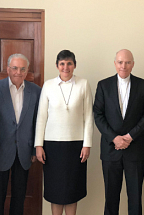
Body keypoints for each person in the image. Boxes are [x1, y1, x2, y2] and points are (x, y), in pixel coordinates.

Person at [93, 49, 144, 215]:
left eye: (127, 62)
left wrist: (129, 136)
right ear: (115, 63)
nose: (123, 66)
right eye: (120, 62)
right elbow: (97, 115)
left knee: (135, 197)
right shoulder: (103, 85)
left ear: (133, 64)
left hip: (136, 149)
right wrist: (114, 138)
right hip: (111, 150)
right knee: (111, 198)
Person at [35, 50, 93, 215]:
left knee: (72, 189)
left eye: (69, 63)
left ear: (74, 65)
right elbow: (41, 117)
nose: (65, 67)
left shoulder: (83, 84)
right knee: (56, 190)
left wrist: (87, 144)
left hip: (76, 145)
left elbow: (88, 117)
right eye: (62, 64)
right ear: (57, 65)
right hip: (52, 146)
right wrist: (39, 145)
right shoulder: (48, 85)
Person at [0, 53, 41, 215]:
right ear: (8, 69)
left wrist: (33, 150)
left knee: (19, 196)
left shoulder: (36, 91)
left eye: (23, 69)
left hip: (24, 152)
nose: (19, 72)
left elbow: (38, 121)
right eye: (15, 68)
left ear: (27, 70)